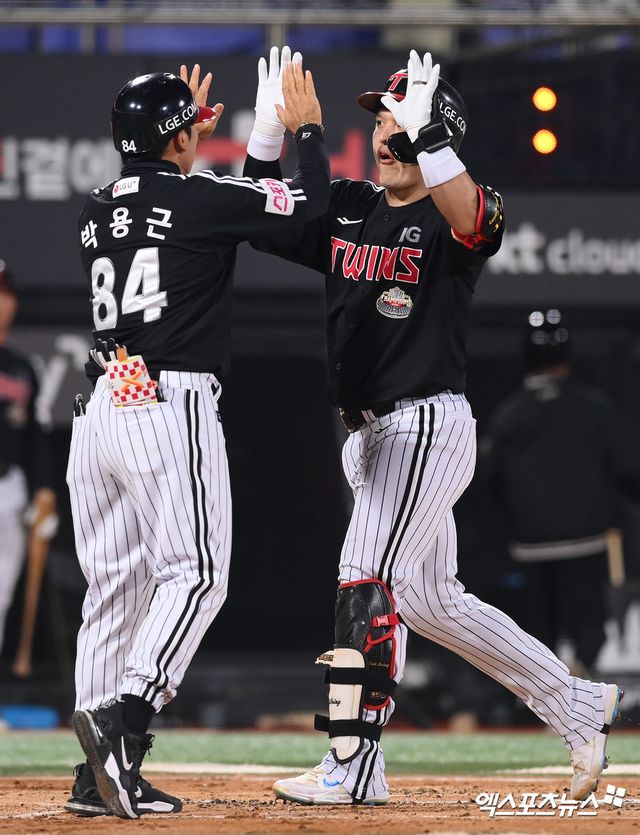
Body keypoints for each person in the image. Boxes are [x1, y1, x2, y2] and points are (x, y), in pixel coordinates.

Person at [244, 50, 622, 806]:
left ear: (431, 131)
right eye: (380, 123)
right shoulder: (351, 204)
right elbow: (261, 219)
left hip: (423, 425)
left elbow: (476, 218)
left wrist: (431, 138)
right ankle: (576, 703)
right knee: (430, 601)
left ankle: (352, 767)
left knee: (365, 577)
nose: (383, 136)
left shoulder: (453, 212)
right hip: (371, 437)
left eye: (397, 122)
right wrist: (265, 137)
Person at [65, 51, 329, 820]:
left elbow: (170, 194)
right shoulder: (198, 199)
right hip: (164, 398)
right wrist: (301, 128)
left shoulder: (94, 204)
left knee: (113, 590)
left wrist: (186, 139)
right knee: (197, 572)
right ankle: (124, 722)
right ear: (179, 138)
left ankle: (95, 776)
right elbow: (306, 207)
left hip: (103, 405)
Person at [482, 309, 640, 678]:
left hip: (530, 545)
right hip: (588, 542)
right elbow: (629, 468)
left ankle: (548, 697)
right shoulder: (594, 408)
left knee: (539, 637)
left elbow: (490, 481)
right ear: (567, 358)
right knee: (589, 628)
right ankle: (580, 682)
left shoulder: (508, 415)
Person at [0, 261, 56, 665]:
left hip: (8, 485)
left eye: (5, 293)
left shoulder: (21, 366)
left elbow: (36, 435)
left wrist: (43, 489)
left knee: (0, 591)